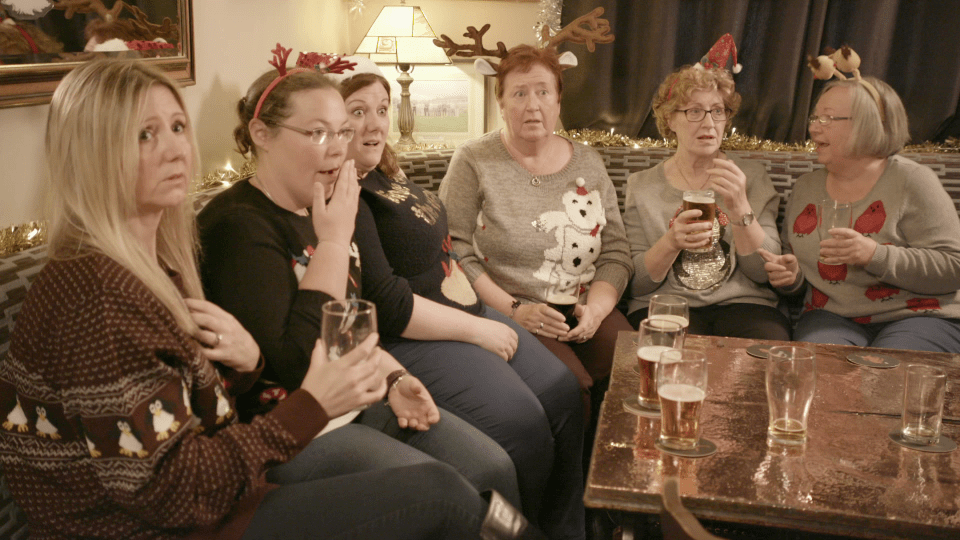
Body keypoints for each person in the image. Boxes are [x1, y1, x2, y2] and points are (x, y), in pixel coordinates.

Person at [0, 59, 535, 540]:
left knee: (473, 475)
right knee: (438, 495)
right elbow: (177, 495)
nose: (175, 148)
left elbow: (190, 409)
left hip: (217, 491)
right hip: (151, 525)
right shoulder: (97, 297)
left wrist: (251, 363)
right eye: (144, 134)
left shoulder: (156, 265)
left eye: (178, 127)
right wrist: (312, 405)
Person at [197, 51, 526, 513]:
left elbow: (350, 324)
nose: (336, 147)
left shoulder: (325, 201)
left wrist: (394, 378)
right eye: (316, 133)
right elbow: (296, 363)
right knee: (446, 495)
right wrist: (333, 242)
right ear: (261, 135)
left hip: (362, 398)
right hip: (294, 432)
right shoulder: (238, 227)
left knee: (491, 467)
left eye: (340, 131)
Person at [329, 56, 585, 540]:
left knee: (564, 393)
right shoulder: (348, 195)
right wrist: (482, 327)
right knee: (522, 425)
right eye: (358, 111)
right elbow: (387, 302)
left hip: (469, 313)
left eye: (383, 108)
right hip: (418, 335)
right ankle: (524, 533)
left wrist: (488, 313)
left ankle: (566, 528)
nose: (375, 122)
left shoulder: (387, 175)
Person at [440, 45, 634, 430]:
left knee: (636, 371)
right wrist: (515, 310)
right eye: (519, 93)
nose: (533, 106)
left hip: (583, 307)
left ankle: (625, 484)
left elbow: (615, 251)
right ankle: (569, 490)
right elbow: (453, 249)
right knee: (569, 387)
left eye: (543, 92)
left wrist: (596, 310)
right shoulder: (474, 160)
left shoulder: (588, 162)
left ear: (558, 100)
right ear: (501, 101)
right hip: (510, 310)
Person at [760, 75, 960, 352]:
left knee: (886, 375)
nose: (814, 129)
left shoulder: (913, 180)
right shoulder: (806, 188)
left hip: (919, 316)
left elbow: (953, 267)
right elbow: (799, 278)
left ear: (869, 124)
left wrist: (873, 255)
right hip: (830, 317)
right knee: (819, 370)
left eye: (827, 119)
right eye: (814, 118)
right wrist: (791, 278)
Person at [622, 64, 791, 340]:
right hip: (669, 304)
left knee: (764, 351)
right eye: (694, 112)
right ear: (669, 119)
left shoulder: (751, 177)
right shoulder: (642, 186)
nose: (709, 124)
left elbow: (764, 273)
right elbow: (637, 285)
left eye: (717, 111)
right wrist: (671, 242)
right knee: (669, 351)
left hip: (745, 305)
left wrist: (740, 209)